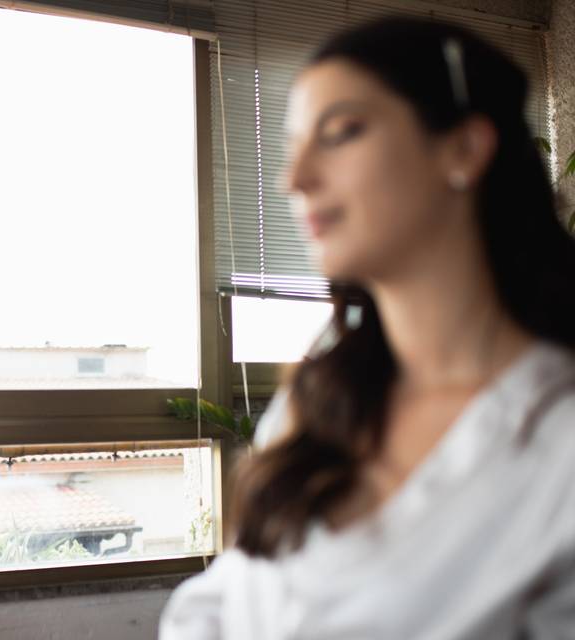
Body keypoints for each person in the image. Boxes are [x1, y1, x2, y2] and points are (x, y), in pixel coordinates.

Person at [160, 16, 575, 640]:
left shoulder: (556, 444)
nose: (294, 180)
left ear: (462, 148)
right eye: (291, 145)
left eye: (342, 132)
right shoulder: (316, 407)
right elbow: (214, 605)